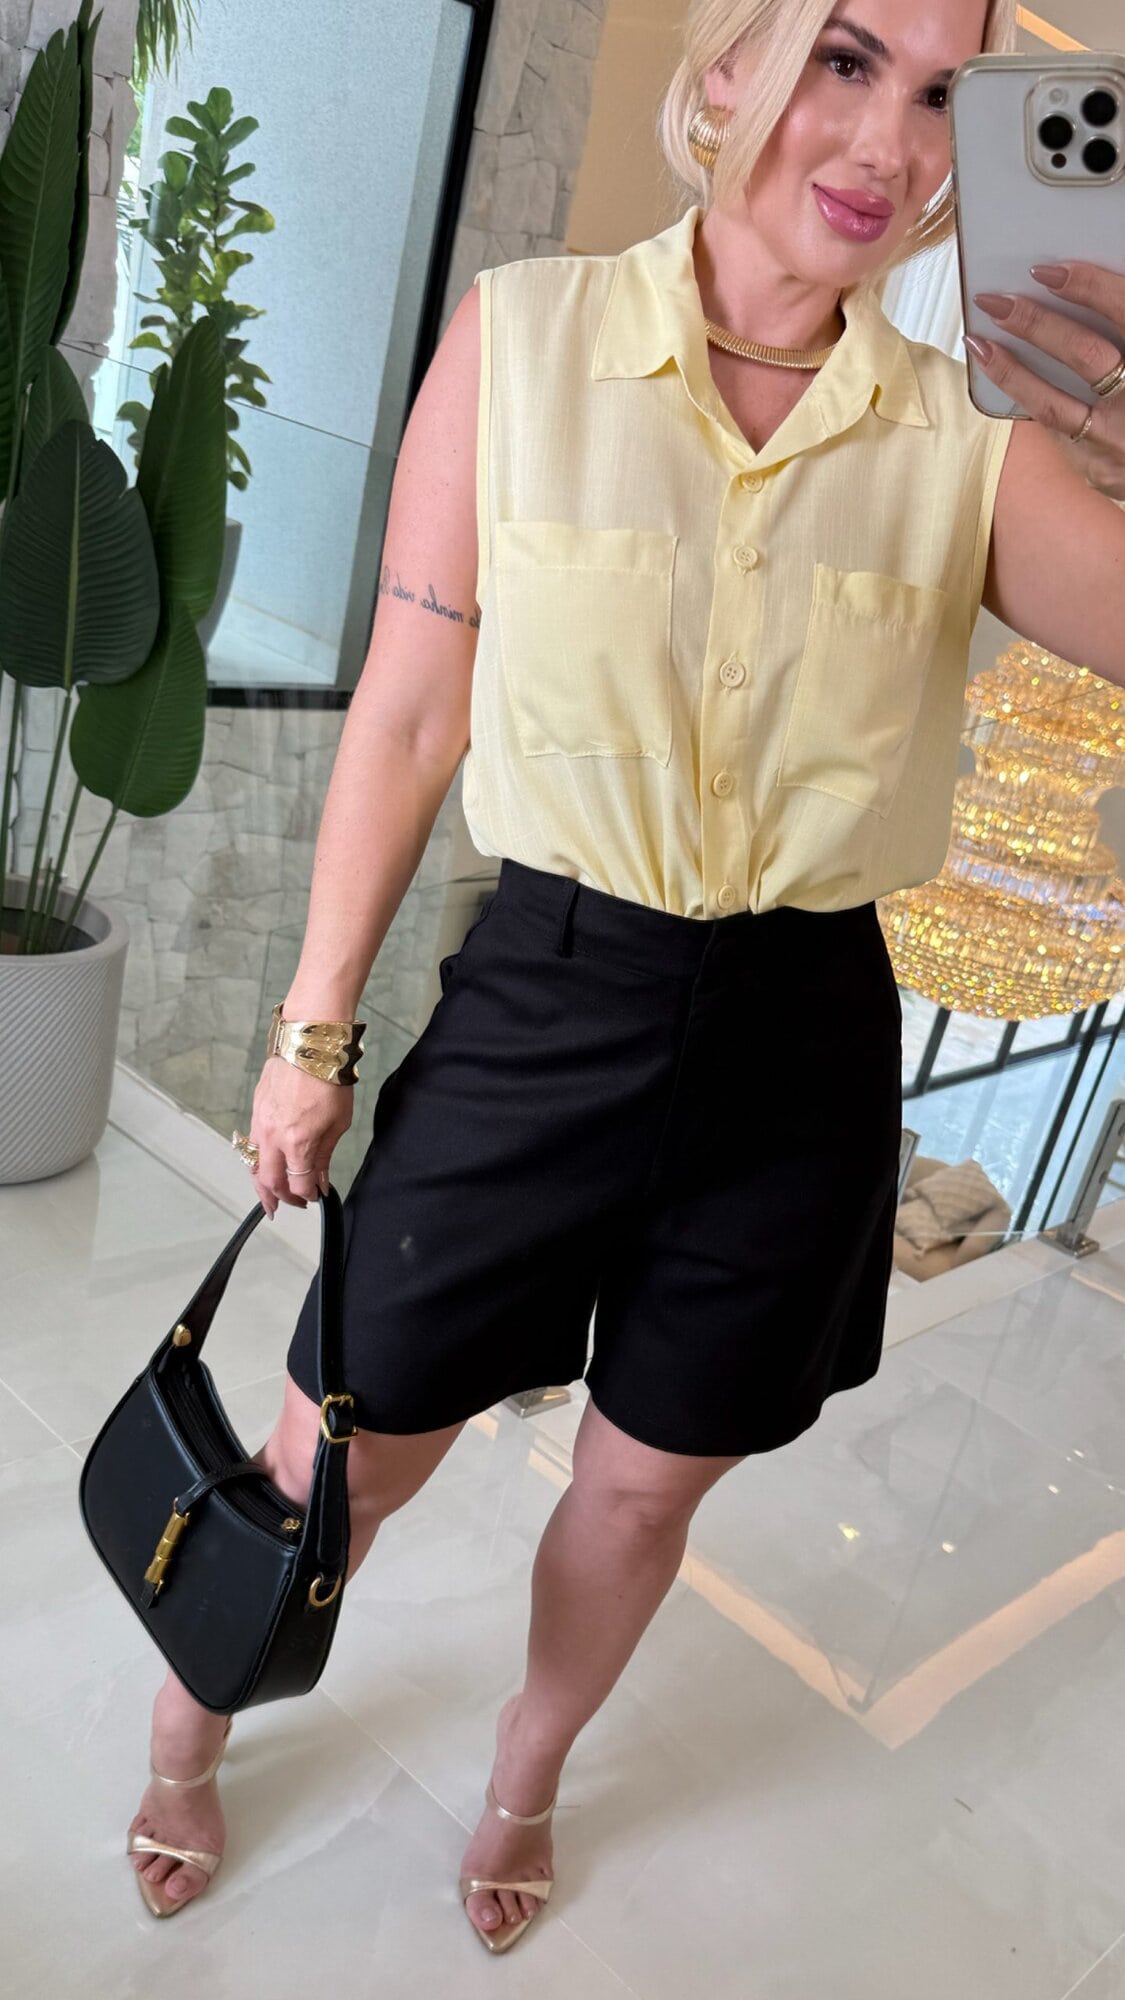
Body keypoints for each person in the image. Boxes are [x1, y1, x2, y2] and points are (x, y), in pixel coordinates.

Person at [126, 0, 1125, 1951]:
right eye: (845, 57)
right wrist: (311, 1034)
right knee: (339, 1447)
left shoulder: (967, 442)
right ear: (730, 63)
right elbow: (409, 714)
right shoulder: (525, 340)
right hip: (547, 995)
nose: (890, 139)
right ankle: (191, 1721)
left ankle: (524, 1771)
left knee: (644, 1490)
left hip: (799, 1039)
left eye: (945, 95)